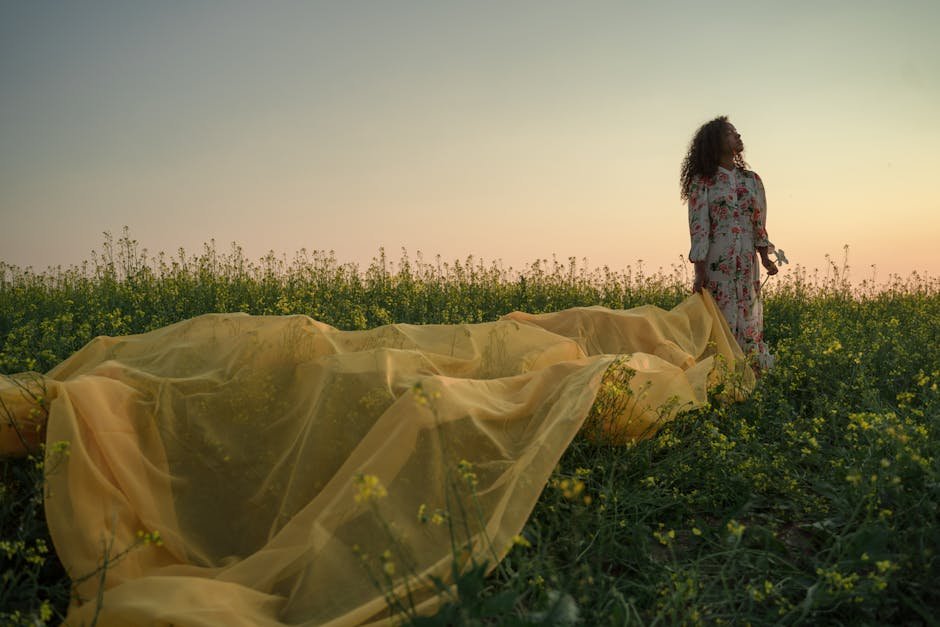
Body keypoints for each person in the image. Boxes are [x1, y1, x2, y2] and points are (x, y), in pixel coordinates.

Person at [680, 116, 778, 369]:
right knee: (721, 314)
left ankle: (750, 372)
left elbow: (759, 220)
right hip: (717, 258)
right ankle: (721, 373)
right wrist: (699, 270)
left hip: (747, 258)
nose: (738, 136)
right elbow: (699, 226)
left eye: (737, 133)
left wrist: (765, 256)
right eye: (730, 133)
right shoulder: (703, 181)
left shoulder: (752, 180)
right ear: (715, 142)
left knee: (748, 312)